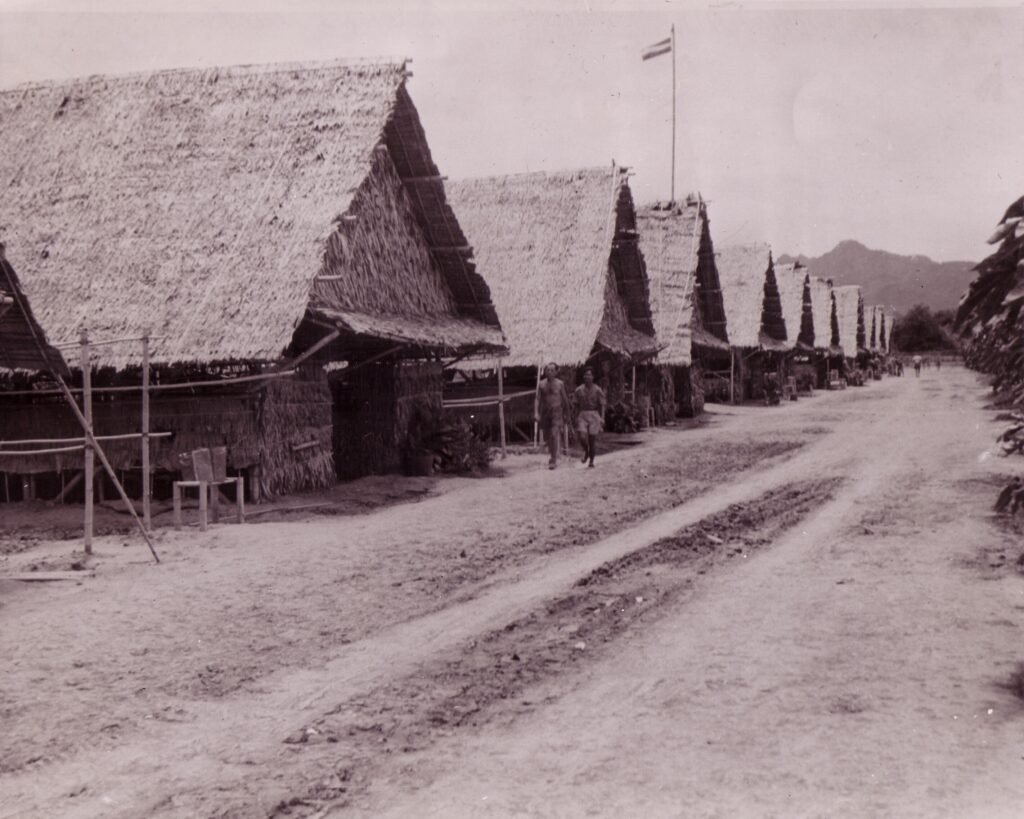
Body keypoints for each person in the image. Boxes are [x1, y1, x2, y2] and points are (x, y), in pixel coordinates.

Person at [535, 362, 572, 469]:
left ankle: (554, 459)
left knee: (554, 434)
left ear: (556, 372)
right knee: (548, 437)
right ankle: (552, 455)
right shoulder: (541, 384)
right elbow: (537, 399)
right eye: (548, 370)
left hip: (557, 412)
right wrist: (536, 413)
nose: (549, 372)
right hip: (545, 413)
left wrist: (567, 414)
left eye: (552, 370)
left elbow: (565, 400)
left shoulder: (560, 384)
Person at [573, 366, 606, 468]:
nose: (587, 377)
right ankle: (586, 451)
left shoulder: (597, 390)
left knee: (592, 439)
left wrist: (602, 417)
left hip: (594, 414)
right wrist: (575, 416)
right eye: (586, 375)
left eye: (589, 375)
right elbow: (575, 404)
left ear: (593, 377)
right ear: (583, 377)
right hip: (582, 414)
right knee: (582, 437)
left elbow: (602, 404)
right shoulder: (578, 390)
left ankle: (591, 460)